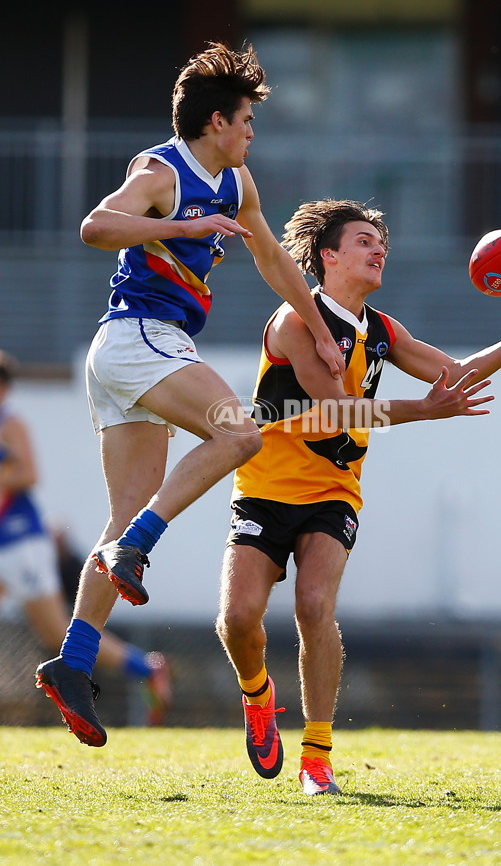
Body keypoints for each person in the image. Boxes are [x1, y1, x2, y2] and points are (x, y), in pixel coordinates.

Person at [35, 41, 345, 748]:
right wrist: (184, 226)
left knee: (120, 518)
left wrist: (322, 329)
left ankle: (74, 661)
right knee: (240, 434)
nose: (251, 133)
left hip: (136, 355)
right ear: (214, 123)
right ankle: (137, 550)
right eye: (244, 121)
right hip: (139, 336)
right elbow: (96, 226)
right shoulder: (159, 169)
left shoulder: (236, 183)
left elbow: (270, 256)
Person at [215, 199, 501, 795]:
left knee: (313, 607)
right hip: (264, 486)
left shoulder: (380, 330)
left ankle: (316, 756)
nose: (378, 249)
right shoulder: (294, 322)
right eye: (363, 241)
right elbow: (335, 406)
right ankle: (258, 694)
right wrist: (423, 411)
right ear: (327, 257)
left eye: (380, 242)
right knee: (237, 619)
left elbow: (452, 374)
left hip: (334, 491)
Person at [0, 352, 171, 727]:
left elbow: (27, 473)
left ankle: (145, 668)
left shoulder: (9, 424)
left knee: (57, 630)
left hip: (18, 542)